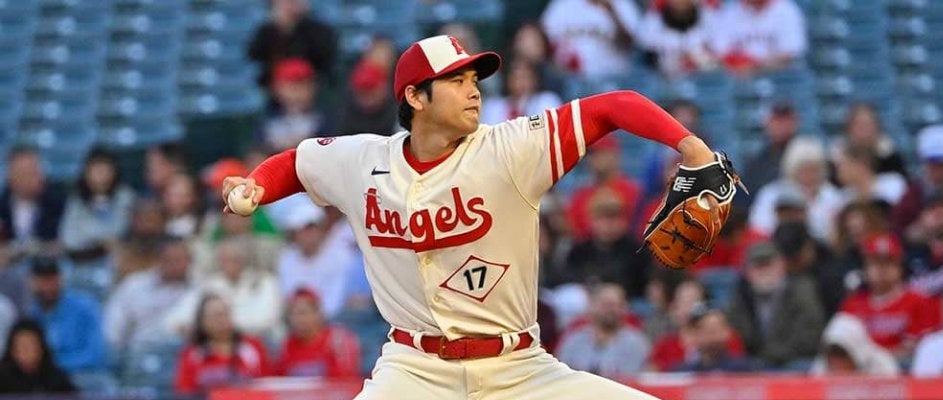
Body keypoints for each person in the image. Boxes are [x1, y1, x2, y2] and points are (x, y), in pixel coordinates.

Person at [223, 34, 719, 399]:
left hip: (519, 370)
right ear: (415, 97)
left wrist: (692, 148)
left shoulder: (510, 148)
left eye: (474, 80)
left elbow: (614, 105)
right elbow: (298, 163)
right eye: (456, 81)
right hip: (414, 371)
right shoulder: (362, 160)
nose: (474, 91)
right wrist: (255, 185)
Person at [839, 233, 941, 360]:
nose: (881, 269)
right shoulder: (852, 304)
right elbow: (841, 347)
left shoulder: (919, 301)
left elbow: (919, 349)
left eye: (888, 262)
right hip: (859, 369)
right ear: (865, 268)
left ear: (900, 267)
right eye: (875, 263)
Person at [727, 242, 825, 368]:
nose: (764, 271)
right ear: (746, 272)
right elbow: (736, 334)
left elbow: (810, 335)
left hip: (793, 360)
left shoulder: (802, 291)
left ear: (782, 265)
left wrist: (769, 356)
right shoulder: (740, 298)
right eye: (758, 266)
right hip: (755, 363)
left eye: (768, 264)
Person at [166, 237, 281, 338]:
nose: (229, 264)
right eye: (224, 259)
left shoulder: (265, 281)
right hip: (217, 340)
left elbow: (267, 319)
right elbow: (177, 317)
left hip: (259, 339)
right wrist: (184, 325)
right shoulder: (210, 284)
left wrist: (219, 325)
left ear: (244, 260)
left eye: (234, 259)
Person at [748, 136, 845, 242]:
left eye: (814, 170)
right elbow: (759, 227)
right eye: (804, 170)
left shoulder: (833, 196)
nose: (809, 176)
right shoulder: (771, 194)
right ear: (792, 170)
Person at [104, 237, 193, 352]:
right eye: (168, 260)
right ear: (158, 260)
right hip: (137, 352)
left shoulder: (199, 290)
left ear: (189, 262)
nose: (174, 265)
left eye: (179, 260)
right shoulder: (134, 285)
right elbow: (114, 325)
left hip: (182, 355)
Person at [276, 202, 360, 319]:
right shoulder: (286, 259)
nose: (309, 235)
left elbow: (336, 299)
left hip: (334, 319)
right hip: (296, 319)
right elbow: (288, 295)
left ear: (321, 229)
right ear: (294, 234)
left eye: (312, 228)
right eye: (304, 230)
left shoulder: (340, 256)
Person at [563, 188, 652, 298]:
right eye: (602, 218)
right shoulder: (579, 252)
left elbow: (644, 286)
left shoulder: (637, 251)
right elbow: (569, 282)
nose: (609, 224)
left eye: (614, 218)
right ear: (591, 221)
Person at [174, 294, 270, 394]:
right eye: (216, 316)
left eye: (225, 314)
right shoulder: (192, 354)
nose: (222, 320)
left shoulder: (253, 346)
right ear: (202, 322)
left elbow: (268, 385)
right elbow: (184, 392)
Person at [59, 149, 136, 267]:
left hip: (116, 260)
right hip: (82, 259)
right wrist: (101, 239)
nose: (101, 176)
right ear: (86, 173)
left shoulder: (126, 196)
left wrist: (87, 232)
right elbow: (68, 238)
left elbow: (119, 230)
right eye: (96, 170)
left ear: (114, 172)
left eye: (105, 170)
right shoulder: (76, 200)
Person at [27, 257, 106, 373]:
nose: (48, 287)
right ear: (32, 282)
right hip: (44, 378)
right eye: (43, 280)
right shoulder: (30, 313)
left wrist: (54, 366)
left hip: (83, 375)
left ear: (61, 279)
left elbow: (96, 354)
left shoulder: (85, 307)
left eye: (52, 280)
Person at [555, 283, 650, 377]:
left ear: (624, 308)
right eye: (605, 305)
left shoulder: (635, 342)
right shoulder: (574, 339)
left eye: (615, 305)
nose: (610, 310)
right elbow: (560, 373)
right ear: (592, 306)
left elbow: (632, 378)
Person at [247, 0, 337, 89]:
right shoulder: (266, 31)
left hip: (312, 85)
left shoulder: (320, 31)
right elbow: (254, 55)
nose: (289, 6)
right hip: (276, 87)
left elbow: (322, 57)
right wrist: (282, 29)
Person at [541, 0, 642, 78]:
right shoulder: (562, 5)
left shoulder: (623, 5)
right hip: (570, 78)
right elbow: (543, 42)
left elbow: (629, 45)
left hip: (612, 78)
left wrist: (611, 12)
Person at [276, 288, 360, 378]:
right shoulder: (287, 346)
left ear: (318, 313)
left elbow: (345, 379)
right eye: (292, 313)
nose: (298, 319)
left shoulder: (337, 341)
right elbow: (278, 378)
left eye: (303, 313)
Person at [0, 147, 65, 260]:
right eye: (23, 174)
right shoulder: (2, 209)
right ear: (10, 177)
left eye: (34, 172)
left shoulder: (59, 205)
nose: (30, 179)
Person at [713, 0, 807, 75]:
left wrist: (755, 65)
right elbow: (719, 51)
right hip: (734, 76)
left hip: (775, 76)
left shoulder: (786, 9)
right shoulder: (731, 10)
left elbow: (790, 53)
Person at [636, 0, 721, 77]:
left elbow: (719, 45)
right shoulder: (653, 22)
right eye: (677, 2)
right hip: (665, 74)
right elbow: (645, 40)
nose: (680, 2)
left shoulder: (708, 16)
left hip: (701, 74)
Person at [261, 58, 331, 151]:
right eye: (291, 85)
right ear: (277, 88)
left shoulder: (329, 118)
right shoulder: (266, 119)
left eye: (303, 84)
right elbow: (256, 152)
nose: (297, 91)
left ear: (313, 86)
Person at [0, 319, 75, 394]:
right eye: (21, 346)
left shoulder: (56, 378)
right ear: (11, 349)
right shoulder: (2, 377)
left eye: (30, 345)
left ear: (41, 348)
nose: (25, 351)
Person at [810, 313, 899, 376]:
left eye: (841, 353)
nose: (835, 361)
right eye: (831, 353)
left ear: (855, 351)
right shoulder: (821, 365)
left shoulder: (881, 364)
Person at [481, 57, 562, 125]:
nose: (518, 81)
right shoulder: (493, 106)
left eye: (524, 76)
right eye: (514, 76)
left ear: (535, 79)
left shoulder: (546, 100)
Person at [740, 101, 799, 194]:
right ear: (766, 123)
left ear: (795, 122)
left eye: (786, 120)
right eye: (777, 120)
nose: (781, 126)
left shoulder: (808, 158)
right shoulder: (756, 164)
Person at [675, 306, 754, 373]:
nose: (711, 336)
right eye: (705, 329)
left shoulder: (746, 369)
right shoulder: (682, 373)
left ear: (728, 331)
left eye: (716, 329)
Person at [336, 59, 398, 136]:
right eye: (361, 92)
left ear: (384, 87)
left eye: (371, 90)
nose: (367, 97)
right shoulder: (345, 115)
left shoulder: (399, 113)